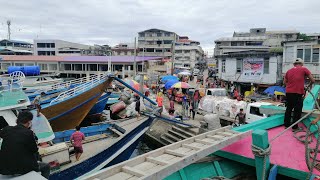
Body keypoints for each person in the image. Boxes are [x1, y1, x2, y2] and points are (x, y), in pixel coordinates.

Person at [0, 111, 50, 179]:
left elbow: (5, 134)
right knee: (45, 167)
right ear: (29, 122)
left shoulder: (7, 130)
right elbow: (34, 150)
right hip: (22, 169)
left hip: (4, 169)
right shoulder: (28, 133)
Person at [284, 58, 315, 130]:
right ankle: (295, 127)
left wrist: (292, 85)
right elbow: (313, 80)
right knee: (297, 110)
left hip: (288, 93)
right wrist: (307, 86)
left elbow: (284, 82)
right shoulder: (304, 69)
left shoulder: (288, 71)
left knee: (288, 109)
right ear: (301, 64)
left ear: (294, 64)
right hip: (297, 93)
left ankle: (286, 125)